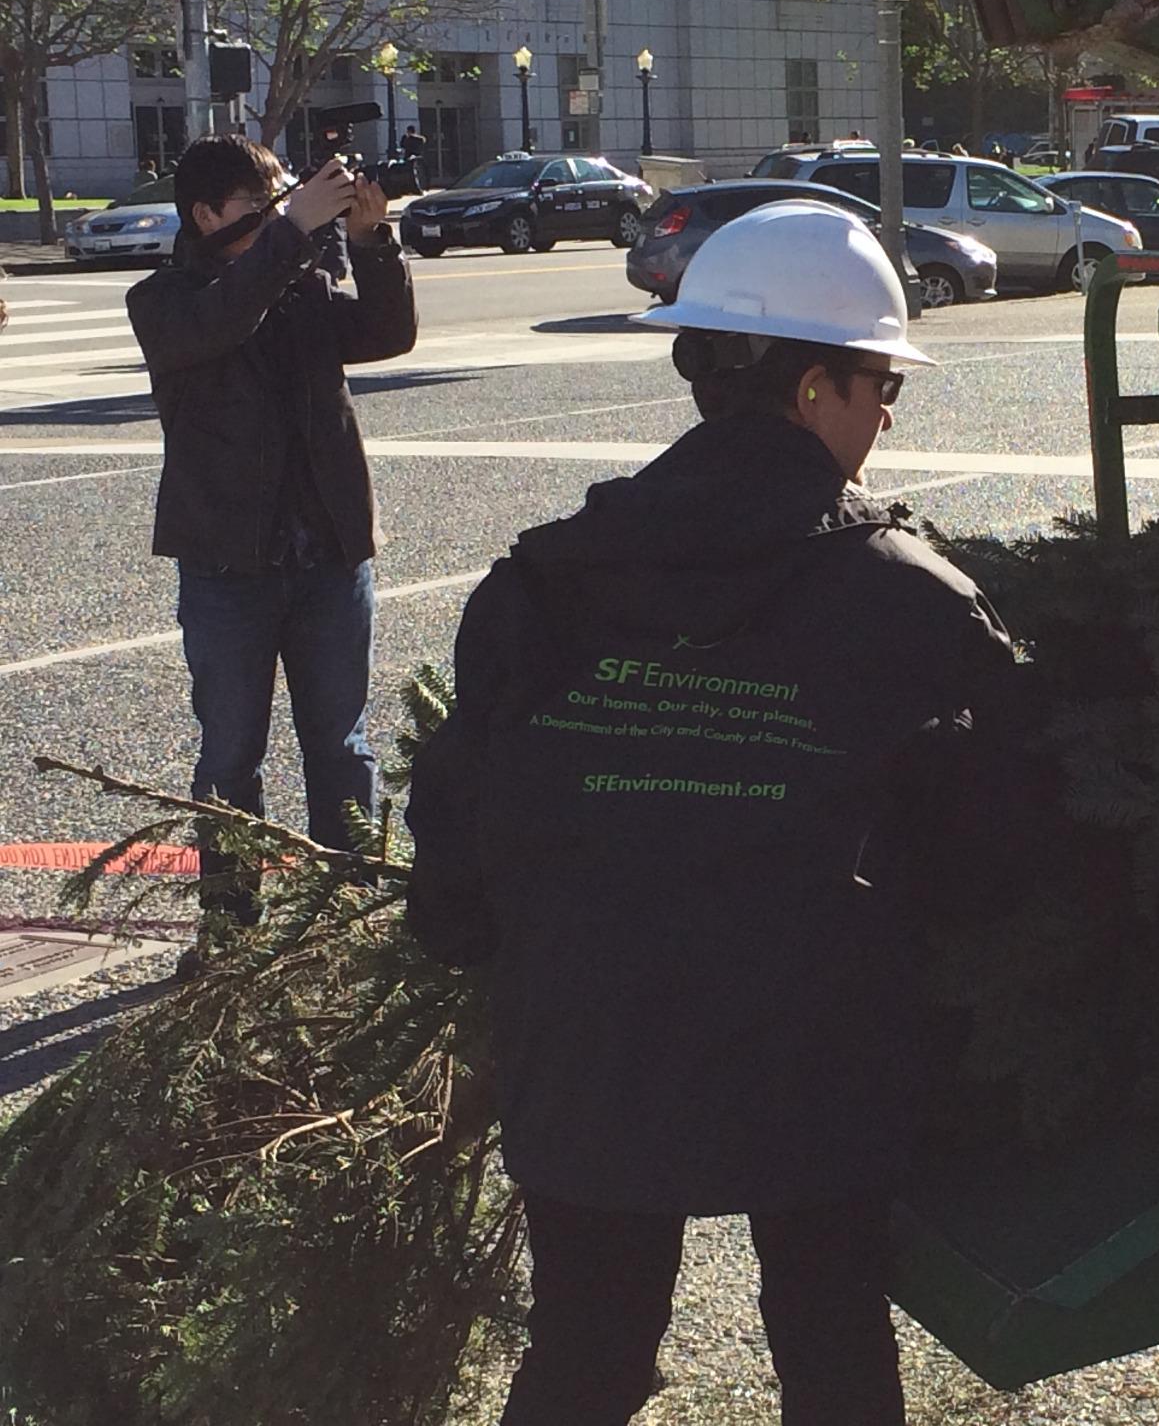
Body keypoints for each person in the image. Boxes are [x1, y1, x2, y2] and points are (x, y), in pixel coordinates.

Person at [402, 200, 1014, 1426]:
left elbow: (456, 861)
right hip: (814, 1054)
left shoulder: (540, 582)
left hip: (586, 1042)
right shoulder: (910, 600)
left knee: (587, 1353)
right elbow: (988, 851)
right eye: (882, 385)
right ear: (814, 390)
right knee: (833, 1345)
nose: (888, 416)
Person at [127, 136, 416, 923]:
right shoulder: (162, 301)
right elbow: (221, 320)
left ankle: (346, 921)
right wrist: (290, 232)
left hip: (330, 557)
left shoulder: (299, 282)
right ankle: (230, 926)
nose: (283, 211)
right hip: (228, 566)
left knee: (342, 747)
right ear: (205, 214)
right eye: (260, 202)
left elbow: (388, 335)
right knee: (230, 753)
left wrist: (370, 240)